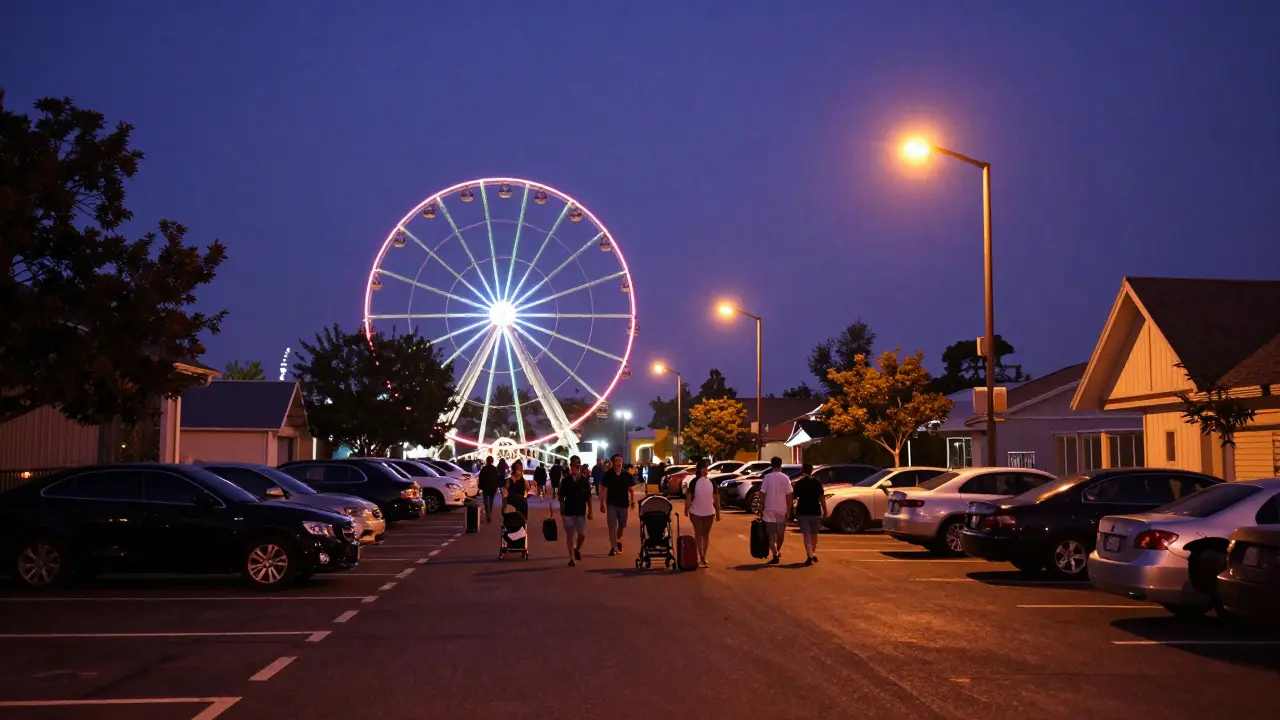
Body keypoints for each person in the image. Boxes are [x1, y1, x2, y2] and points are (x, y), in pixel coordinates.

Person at [683, 458, 720, 567]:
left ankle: (703, 556)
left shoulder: (711, 482)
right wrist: (686, 508)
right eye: (704, 468)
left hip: (709, 512)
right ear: (699, 469)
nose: (706, 470)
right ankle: (701, 556)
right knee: (699, 534)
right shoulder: (695, 482)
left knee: (705, 534)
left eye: (707, 468)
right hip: (696, 512)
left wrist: (718, 512)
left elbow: (716, 498)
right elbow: (689, 497)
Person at [558, 455, 593, 566]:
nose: (575, 468)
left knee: (582, 535)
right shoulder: (566, 480)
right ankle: (571, 558)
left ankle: (577, 549)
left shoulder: (584, 481)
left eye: (577, 465)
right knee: (570, 535)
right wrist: (562, 508)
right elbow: (561, 496)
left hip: (580, 512)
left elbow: (588, 496)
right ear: (570, 466)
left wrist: (590, 510)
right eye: (573, 465)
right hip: (568, 511)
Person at [758, 456, 793, 565]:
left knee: (771, 534)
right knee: (780, 534)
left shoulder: (767, 477)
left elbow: (762, 493)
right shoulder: (785, 478)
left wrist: (760, 507)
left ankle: (775, 553)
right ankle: (777, 552)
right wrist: (789, 510)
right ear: (781, 465)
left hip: (769, 509)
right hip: (782, 509)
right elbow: (789, 495)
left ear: (771, 465)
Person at [790, 463, 827, 566]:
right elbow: (822, 497)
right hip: (815, 511)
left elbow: (794, 498)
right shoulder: (817, 482)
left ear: (802, 471)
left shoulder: (799, 483)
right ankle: (812, 553)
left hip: (802, 511)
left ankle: (810, 554)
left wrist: (792, 512)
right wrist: (825, 510)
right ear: (811, 471)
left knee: (806, 534)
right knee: (814, 533)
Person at [599, 454, 635, 556]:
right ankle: (613, 547)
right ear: (613, 463)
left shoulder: (627, 475)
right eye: (616, 460)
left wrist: (633, 501)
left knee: (622, 524)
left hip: (623, 504)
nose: (618, 462)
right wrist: (602, 503)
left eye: (620, 460)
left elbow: (631, 490)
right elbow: (604, 490)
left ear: (622, 462)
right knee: (612, 525)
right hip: (611, 504)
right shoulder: (608, 475)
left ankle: (618, 539)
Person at [478, 456, 503, 522]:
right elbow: (497, 478)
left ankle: (487, 514)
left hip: (485, 487)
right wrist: (497, 486)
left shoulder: (484, 469)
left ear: (487, 461)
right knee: (491, 501)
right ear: (492, 461)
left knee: (486, 502)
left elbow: (480, 478)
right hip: (493, 487)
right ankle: (490, 513)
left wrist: (480, 486)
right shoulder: (495, 469)